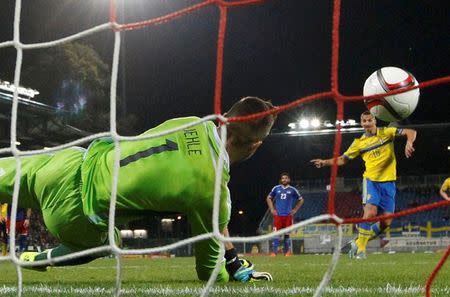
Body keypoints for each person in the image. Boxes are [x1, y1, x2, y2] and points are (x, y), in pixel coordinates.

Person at [0, 96, 276, 282]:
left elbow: (217, 217)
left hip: (70, 161)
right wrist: (228, 272)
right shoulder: (212, 189)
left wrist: (233, 258)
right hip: (76, 215)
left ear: (224, 117)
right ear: (255, 145)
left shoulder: (192, 122)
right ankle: (37, 259)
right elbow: (207, 270)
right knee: (111, 241)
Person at [310, 111, 416, 259]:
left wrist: (409, 142)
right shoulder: (358, 143)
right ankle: (360, 249)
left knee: (386, 221)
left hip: (389, 183)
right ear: (361, 123)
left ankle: (359, 241)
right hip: (371, 181)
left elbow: (410, 131)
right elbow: (342, 159)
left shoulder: (386, 132)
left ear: (375, 121)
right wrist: (324, 162)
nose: (367, 123)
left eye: (369, 120)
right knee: (370, 212)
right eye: (364, 121)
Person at [266, 172, 304, 256]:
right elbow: (268, 198)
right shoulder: (276, 188)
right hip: (278, 215)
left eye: (286, 178)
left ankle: (287, 252)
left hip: (288, 216)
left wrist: (295, 209)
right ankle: (274, 252)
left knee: (287, 235)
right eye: (283, 178)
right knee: (276, 234)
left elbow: (301, 200)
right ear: (281, 180)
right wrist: (272, 209)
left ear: (289, 179)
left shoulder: (292, 190)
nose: (284, 180)